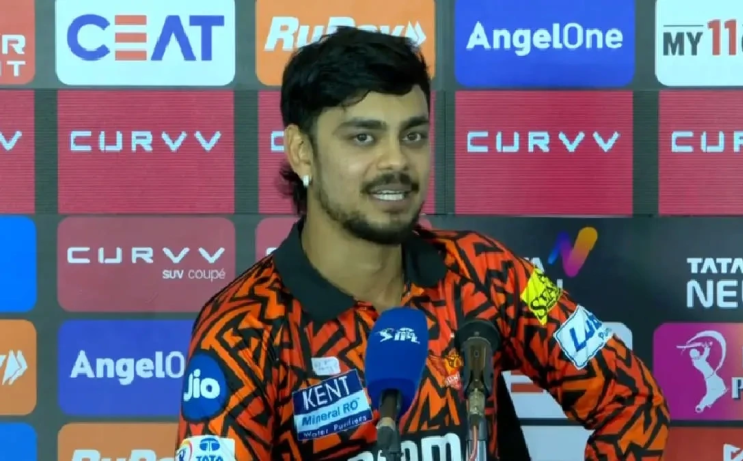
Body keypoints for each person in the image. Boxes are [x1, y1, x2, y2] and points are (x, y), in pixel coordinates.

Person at [175, 27, 669, 461]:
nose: (396, 161)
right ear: (302, 152)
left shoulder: (486, 272)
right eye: (363, 138)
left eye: (412, 136)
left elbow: (632, 401)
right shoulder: (242, 330)